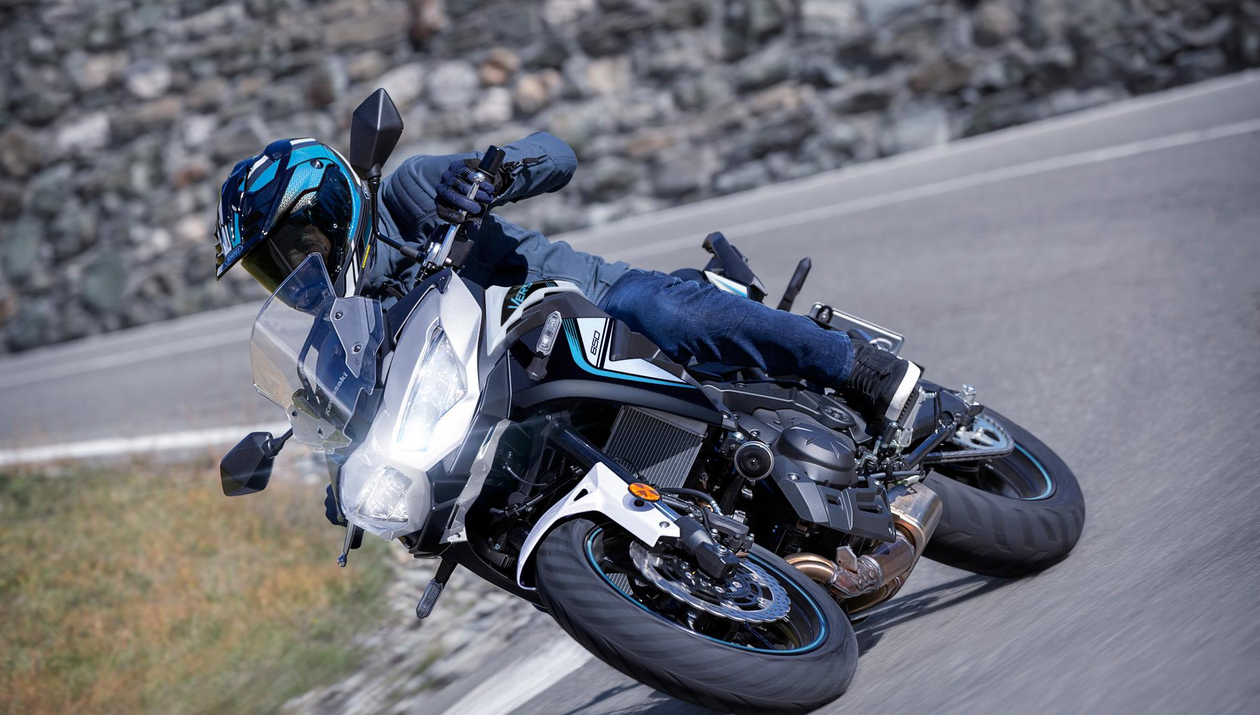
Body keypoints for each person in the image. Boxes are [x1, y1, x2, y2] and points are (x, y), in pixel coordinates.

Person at [215, 134, 922, 430]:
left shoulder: (409, 194)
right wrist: (343, 476)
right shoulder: (336, 334)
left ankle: (857, 366)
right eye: (268, 266)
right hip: (512, 402)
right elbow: (352, 424)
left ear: (329, 209)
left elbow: (559, 154)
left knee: (660, 309)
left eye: (292, 245)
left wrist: (493, 173)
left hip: (589, 313)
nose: (291, 271)